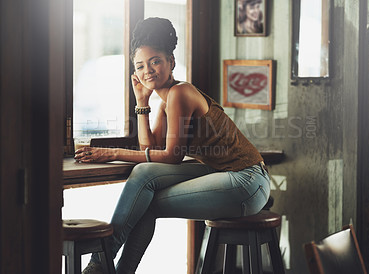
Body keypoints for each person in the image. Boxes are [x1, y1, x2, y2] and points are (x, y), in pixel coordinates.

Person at [75, 17, 270, 274]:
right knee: (144, 176)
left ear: (172, 62)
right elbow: (151, 149)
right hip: (223, 173)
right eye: (140, 65)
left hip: (246, 181)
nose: (148, 70)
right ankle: (107, 265)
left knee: (147, 203)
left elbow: (171, 156)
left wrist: (111, 152)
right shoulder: (167, 101)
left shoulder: (180, 93)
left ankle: (102, 263)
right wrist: (141, 102)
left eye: (155, 61)